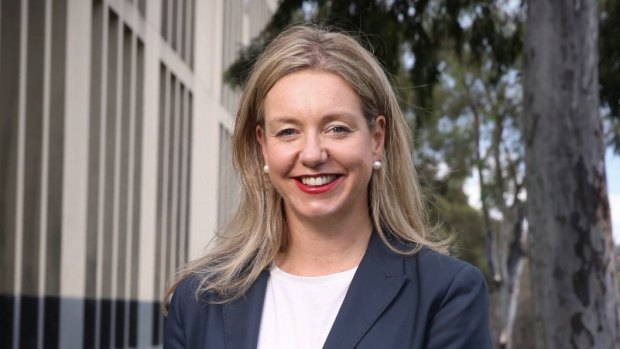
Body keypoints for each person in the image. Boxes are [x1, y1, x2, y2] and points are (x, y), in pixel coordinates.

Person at [163, 25, 491, 349]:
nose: (312, 155)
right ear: (263, 145)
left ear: (376, 139)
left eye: (336, 128)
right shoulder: (200, 302)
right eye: (288, 131)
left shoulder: (445, 294)